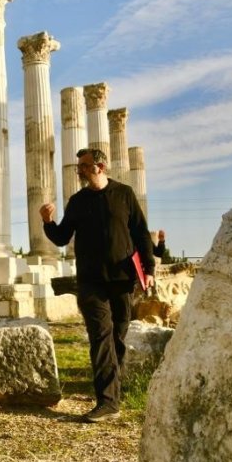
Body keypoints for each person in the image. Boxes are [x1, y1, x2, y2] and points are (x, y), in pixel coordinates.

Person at [39, 148, 154, 423]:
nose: (78, 169)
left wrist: (148, 269)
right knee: (101, 337)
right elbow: (61, 236)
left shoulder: (124, 194)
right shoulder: (77, 201)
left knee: (117, 338)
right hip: (90, 282)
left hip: (122, 279)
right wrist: (47, 221)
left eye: (84, 165)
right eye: (78, 165)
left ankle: (113, 390)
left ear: (99, 167)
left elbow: (140, 231)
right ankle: (107, 402)